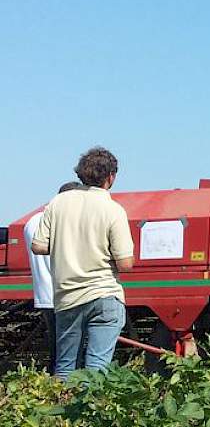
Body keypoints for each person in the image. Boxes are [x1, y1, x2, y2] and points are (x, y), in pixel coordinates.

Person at [30, 147, 135, 381]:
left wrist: (66, 244)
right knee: (96, 369)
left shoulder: (58, 203)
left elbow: (37, 246)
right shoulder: (113, 209)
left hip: (67, 298)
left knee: (65, 368)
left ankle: (61, 416)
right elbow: (126, 263)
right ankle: (90, 415)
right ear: (111, 177)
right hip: (104, 294)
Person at [23, 181, 86, 374]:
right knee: (72, 353)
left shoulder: (32, 222)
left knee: (57, 349)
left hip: (45, 296)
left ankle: (54, 390)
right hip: (69, 294)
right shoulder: (64, 221)